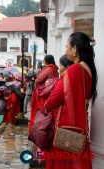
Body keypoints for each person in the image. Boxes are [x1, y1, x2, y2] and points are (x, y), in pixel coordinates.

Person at [44, 32, 97, 169]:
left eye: (68, 46)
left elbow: (55, 98)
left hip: (66, 127)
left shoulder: (74, 69)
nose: (66, 49)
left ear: (75, 49)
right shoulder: (89, 69)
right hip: (80, 127)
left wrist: (46, 105)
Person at [29, 55, 59, 130]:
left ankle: (39, 130)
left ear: (46, 61)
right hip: (51, 92)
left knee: (40, 113)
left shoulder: (48, 69)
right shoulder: (55, 69)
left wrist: (39, 74)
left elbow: (38, 80)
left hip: (44, 94)